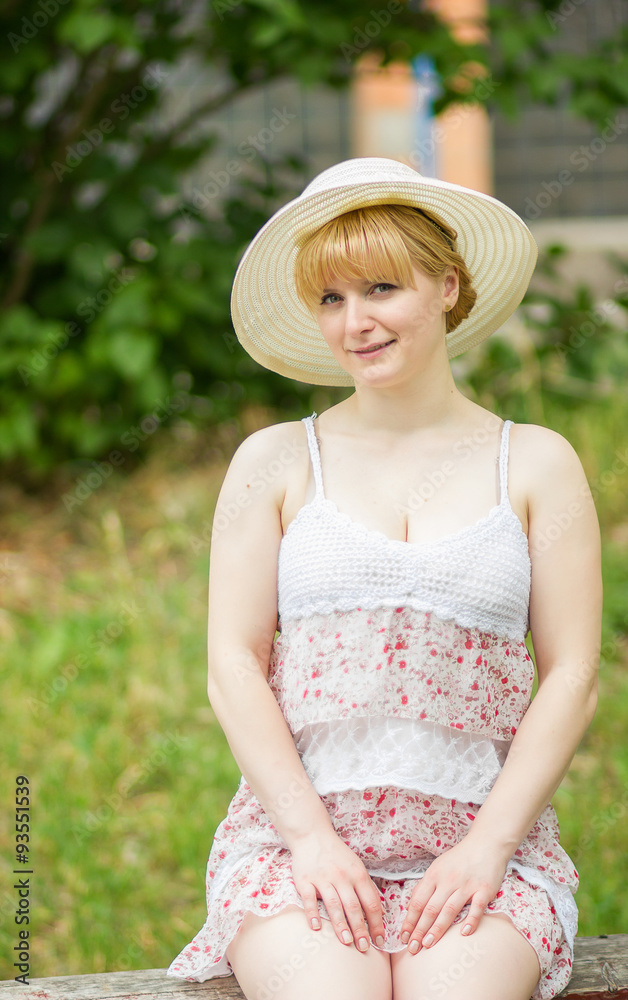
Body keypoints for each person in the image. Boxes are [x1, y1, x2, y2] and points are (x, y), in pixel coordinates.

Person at [167, 157, 602, 1000]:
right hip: (300, 851)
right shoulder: (276, 461)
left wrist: (487, 848)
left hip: (479, 853)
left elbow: (572, 675)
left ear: (446, 286)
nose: (355, 321)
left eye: (380, 288)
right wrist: (309, 842)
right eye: (331, 298)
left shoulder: (534, 463)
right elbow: (232, 664)